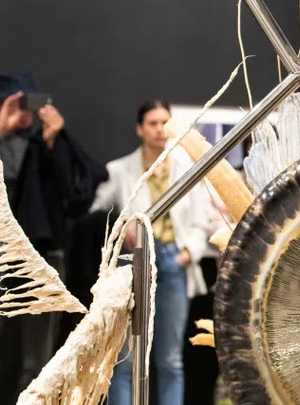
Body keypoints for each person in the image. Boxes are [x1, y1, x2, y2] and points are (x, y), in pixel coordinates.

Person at [0, 71, 107, 404]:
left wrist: (55, 142)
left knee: (39, 361)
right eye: (16, 103)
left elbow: (76, 195)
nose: (23, 112)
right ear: (0, 103)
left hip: (41, 254)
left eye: (29, 104)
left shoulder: (47, 144)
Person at [92, 99, 214, 405]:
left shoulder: (188, 169)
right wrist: (121, 228)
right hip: (132, 266)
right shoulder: (119, 170)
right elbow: (96, 213)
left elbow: (200, 221)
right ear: (140, 129)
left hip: (173, 262)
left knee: (171, 359)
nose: (160, 129)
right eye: (153, 123)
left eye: (164, 122)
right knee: (125, 360)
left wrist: (188, 254)